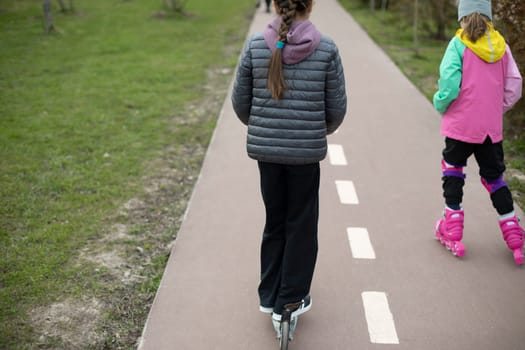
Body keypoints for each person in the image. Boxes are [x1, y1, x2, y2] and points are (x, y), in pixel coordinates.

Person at [232, 0, 347, 330]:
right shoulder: (326, 48)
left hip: (267, 154)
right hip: (304, 155)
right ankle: (291, 297)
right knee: (301, 223)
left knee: (275, 221)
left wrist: (265, 127)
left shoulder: (256, 45)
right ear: (310, 6)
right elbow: (336, 109)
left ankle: (269, 295)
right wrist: (310, 130)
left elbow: (241, 103)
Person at [433, 0, 523, 264]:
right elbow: (514, 86)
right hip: (489, 128)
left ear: (462, 16)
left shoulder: (458, 44)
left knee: (453, 170)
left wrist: (440, 102)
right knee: (495, 178)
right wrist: (496, 109)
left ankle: (453, 226)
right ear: (488, 16)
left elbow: (449, 85)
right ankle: (514, 234)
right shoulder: (501, 47)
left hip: (461, 124)